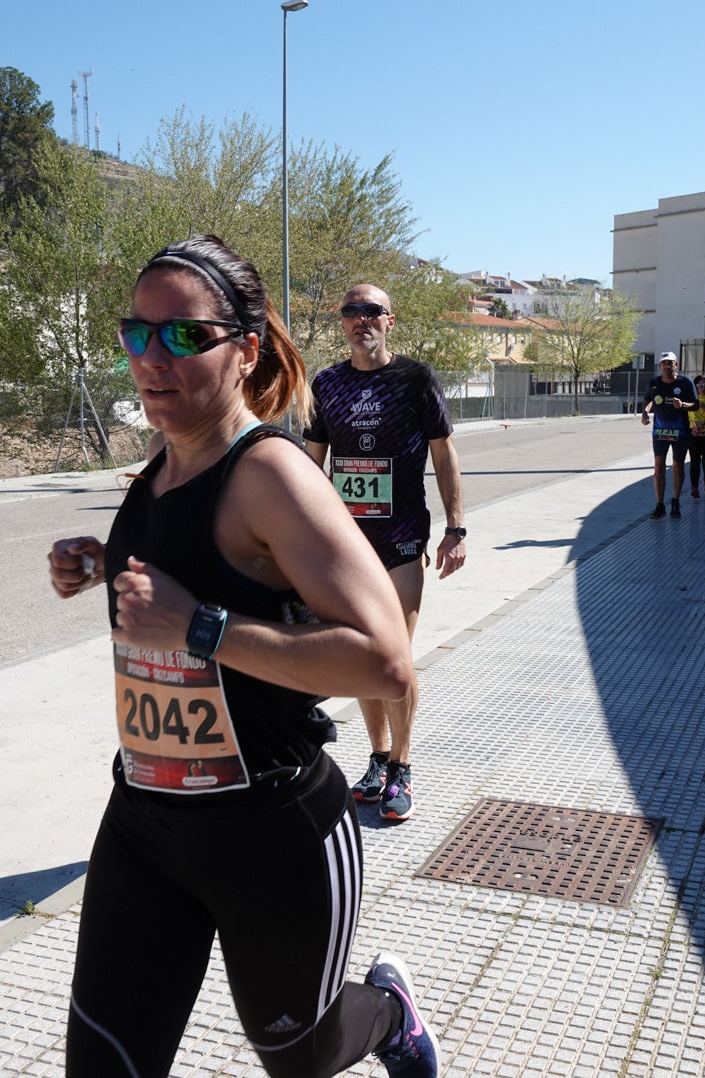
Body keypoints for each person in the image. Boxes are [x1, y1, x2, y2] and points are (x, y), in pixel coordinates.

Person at [48, 236, 441, 1078]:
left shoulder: (272, 475)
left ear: (246, 349)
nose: (154, 358)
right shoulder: (156, 468)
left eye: (185, 336)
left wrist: (200, 627)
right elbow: (185, 580)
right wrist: (97, 563)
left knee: (303, 1055)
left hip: (274, 833)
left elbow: (385, 663)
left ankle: (390, 1017)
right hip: (145, 821)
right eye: (138, 333)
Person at [303, 284, 466, 822]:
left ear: (389, 322)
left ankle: (403, 765)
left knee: (393, 654)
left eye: (371, 311)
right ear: (342, 322)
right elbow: (311, 463)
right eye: (350, 311)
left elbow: (444, 453)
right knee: (358, 657)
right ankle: (376, 760)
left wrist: (456, 527)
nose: (360, 320)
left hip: (400, 538)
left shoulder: (415, 378)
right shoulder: (326, 383)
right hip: (346, 546)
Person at [641, 351, 698, 519]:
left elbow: (696, 405)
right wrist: (645, 412)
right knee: (658, 466)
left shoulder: (685, 382)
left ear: (676, 365)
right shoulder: (654, 383)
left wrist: (683, 404)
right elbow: (649, 399)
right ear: (660, 366)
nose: (667, 366)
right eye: (664, 363)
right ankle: (659, 505)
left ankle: (675, 501)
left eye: (670, 363)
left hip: (680, 432)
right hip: (660, 431)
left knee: (678, 467)